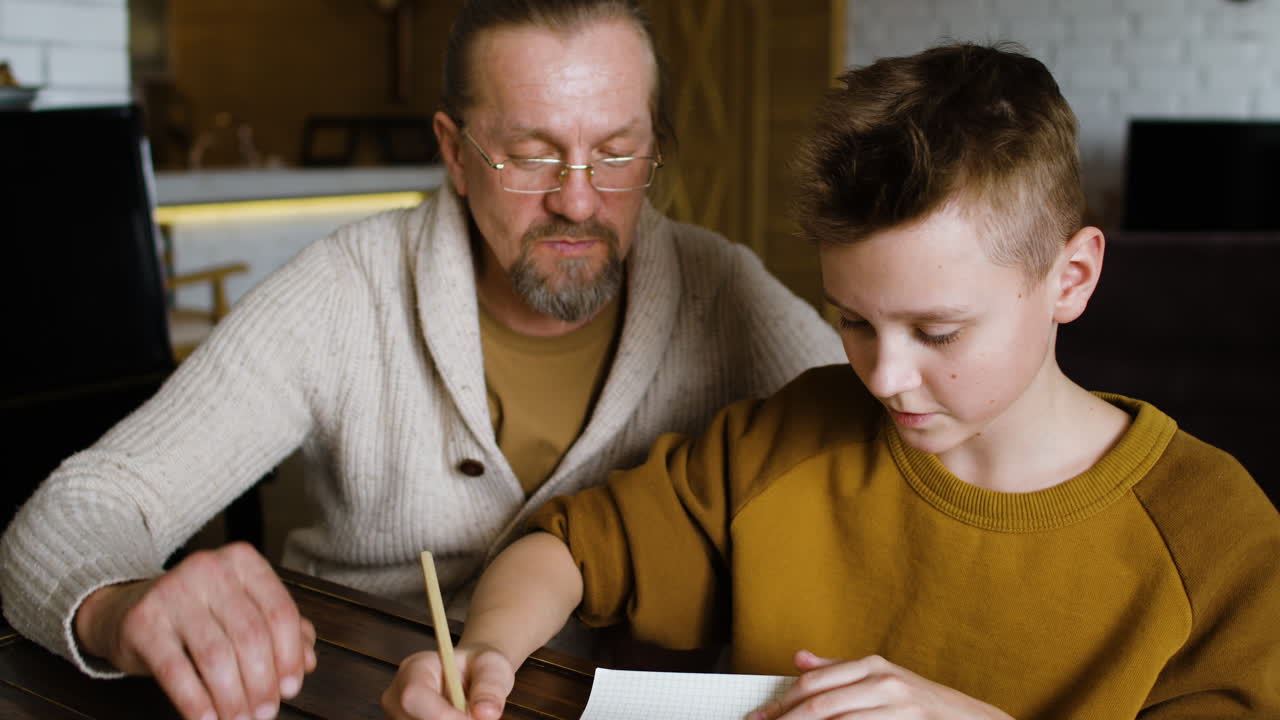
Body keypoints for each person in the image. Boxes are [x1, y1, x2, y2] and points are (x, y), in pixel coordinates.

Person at [382, 41, 1280, 720]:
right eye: (853, 320)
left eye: (937, 330)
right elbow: (571, 548)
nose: (885, 376)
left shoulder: (1216, 537)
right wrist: (489, 651)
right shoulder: (789, 440)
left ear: (1072, 280)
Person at [0, 2, 845, 720]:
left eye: (618, 151)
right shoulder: (346, 286)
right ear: (454, 150)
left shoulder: (722, 288)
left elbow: (897, 434)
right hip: (355, 693)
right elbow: (84, 506)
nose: (579, 199)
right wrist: (119, 606)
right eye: (528, 154)